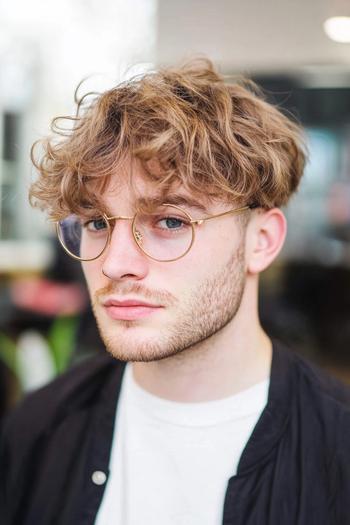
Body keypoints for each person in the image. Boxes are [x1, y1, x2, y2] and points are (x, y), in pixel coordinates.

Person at [1, 58, 349, 525]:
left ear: (261, 241)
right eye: (98, 223)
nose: (115, 263)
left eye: (171, 221)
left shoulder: (338, 451)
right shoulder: (37, 429)